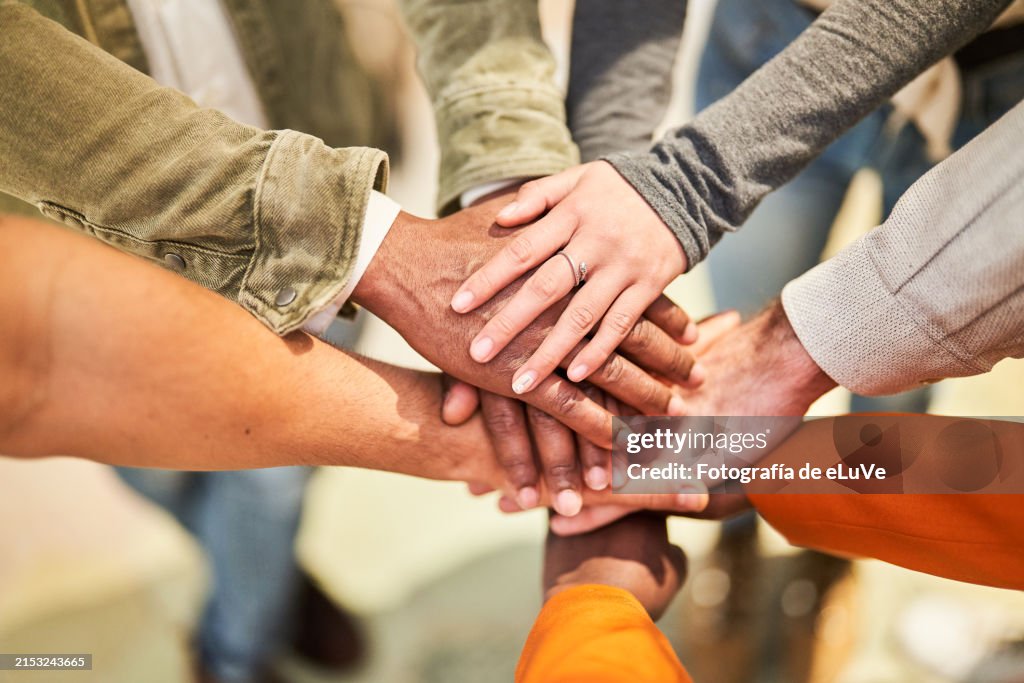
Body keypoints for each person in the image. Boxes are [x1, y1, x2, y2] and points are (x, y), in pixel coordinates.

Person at [449, 0, 1014, 395]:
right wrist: (610, 185)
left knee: (896, 361)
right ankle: (738, 512)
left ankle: (862, 511)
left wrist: (688, 182)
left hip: (997, 76)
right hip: (774, 38)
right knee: (734, 331)